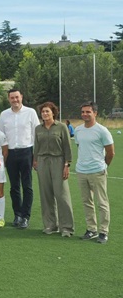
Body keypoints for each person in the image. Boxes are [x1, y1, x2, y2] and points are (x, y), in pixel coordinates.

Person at [0, 89, 39, 229]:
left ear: (21, 97)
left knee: (27, 186)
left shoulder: (30, 112)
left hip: (26, 151)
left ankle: (26, 216)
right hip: (10, 153)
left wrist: (35, 156)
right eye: (12, 98)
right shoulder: (4, 114)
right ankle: (17, 214)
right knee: (14, 186)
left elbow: (36, 133)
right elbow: (1, 136)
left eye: (17, 97)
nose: (15, 100)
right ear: (9, 99)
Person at [75, 101, 115, 244]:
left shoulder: (102, 130)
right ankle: (91, 229)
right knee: (87, 202)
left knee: (102, 203)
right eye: (83, 112)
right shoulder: (78, 130)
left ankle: (103, 232)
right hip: (81, 171)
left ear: (95, 113)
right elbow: (80, 147)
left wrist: (103, 166)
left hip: (97, 171)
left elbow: (111, 152)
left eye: (88, 112)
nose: (85, 114)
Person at [33, 102, 74, 237]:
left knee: (61, 195)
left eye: (47, 111)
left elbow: (67, 147)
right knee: (46, 195)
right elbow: (37, 146)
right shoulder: (38, 128)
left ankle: (67, 227)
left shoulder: (61, 127)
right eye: (43, 112)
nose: (45, 114)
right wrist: (35, 161)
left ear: (53, 113)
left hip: (58, 161)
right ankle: (50, 225)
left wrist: (67, 164)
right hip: (42, 161)